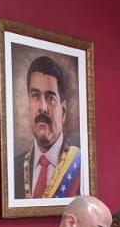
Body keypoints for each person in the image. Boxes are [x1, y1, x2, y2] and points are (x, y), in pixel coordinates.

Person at [15, 55, 82, 200]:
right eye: (35, 96)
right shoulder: (14, 167)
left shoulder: (80, 166)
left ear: (63, 111)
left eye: (50, 98)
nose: (42, 107)